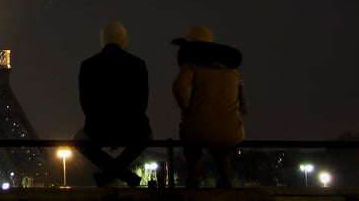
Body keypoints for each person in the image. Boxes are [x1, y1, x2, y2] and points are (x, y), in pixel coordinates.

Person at [170, 25, 247, 189]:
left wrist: (187, 110)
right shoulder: (233, 70)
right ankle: (226, 180)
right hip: (231, 131)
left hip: (199, 128)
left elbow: (179, 88)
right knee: (222, 148)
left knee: (192, 139)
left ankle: (194, 177)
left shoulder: (191, 66)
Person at [77, 22, 151, 187]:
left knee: (78, 140)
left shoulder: (88, 65)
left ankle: (114, 174)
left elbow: (85, 103)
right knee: (147, 134)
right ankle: (118, 174)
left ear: (103, 40)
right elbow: (142, 102)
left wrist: (98, 123)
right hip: (132, 128)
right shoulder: (138, 64)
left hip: (99, 128)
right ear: (124, 39)